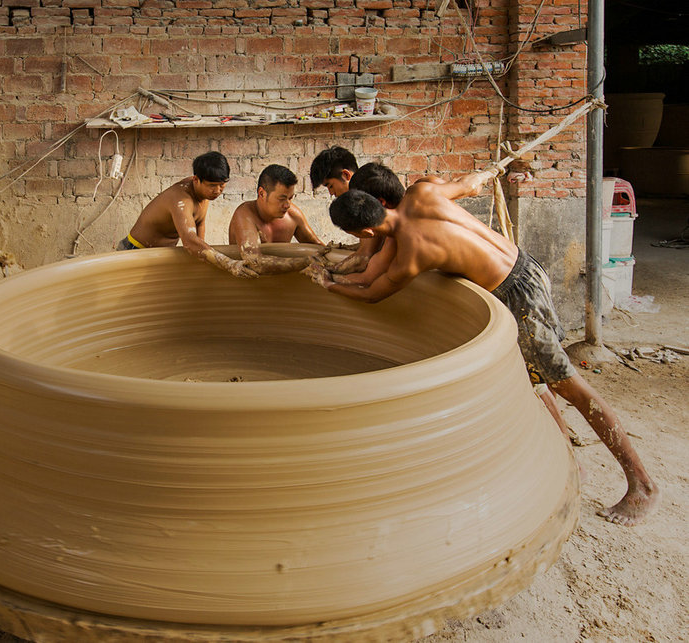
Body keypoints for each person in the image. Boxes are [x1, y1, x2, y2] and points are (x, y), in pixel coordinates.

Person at [304, 162, 660, 526]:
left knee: (570, 386)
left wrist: (329, 286)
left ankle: (641, 485)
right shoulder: (422, 192)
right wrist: (492, 173)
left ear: (366, 228)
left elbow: (372, 293)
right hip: (526, 267)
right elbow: (469, 183)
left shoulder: (413, 253)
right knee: (531, 380)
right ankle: (569, 460)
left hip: (515, 299)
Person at [116, 151, 256, 278]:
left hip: (160, 254)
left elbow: (199, 224)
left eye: (222, 185)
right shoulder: (181, 199)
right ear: (196, 180)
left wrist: (202, 260)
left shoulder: (203, 192)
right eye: (212, 185)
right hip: (135, 251)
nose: (218, 191)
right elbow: (189, 241)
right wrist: (228, 263)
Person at [228, 164, 325, 275]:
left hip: (282, 284)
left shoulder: (293, 215)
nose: (287, 205)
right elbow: (253, 262)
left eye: (290, 198)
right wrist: (305, 262)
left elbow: (319, 248)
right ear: (262, 193)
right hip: (249, 286)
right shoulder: (244, 215)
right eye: (282, 199)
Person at [310, 146, 382, 275]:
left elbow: (364, 259)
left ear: (346, 174)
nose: (331, 193)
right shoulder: (362, 191)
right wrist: (345, 248)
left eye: (330, 186)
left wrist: (327, 270)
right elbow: (370, 245)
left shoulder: (367, 198)